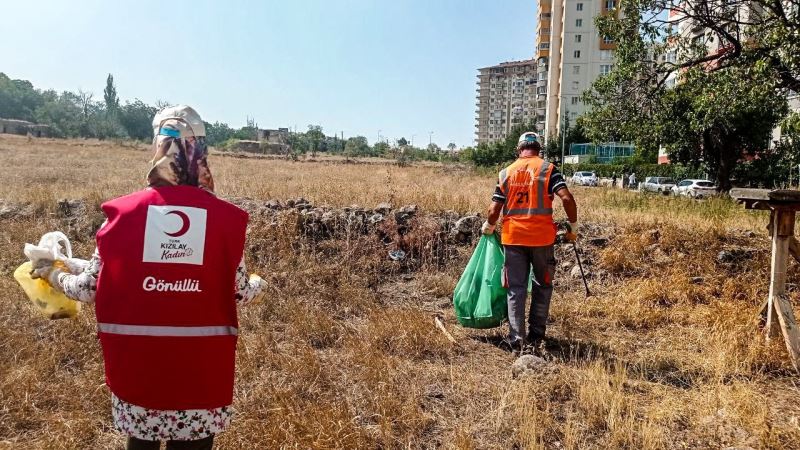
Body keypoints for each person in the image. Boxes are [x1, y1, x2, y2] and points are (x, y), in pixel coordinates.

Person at [33, 105, 266, 450]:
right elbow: (240, 293)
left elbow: (92, 286)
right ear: (199, 152)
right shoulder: (223, 221)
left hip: (139, 374)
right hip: (200, 376)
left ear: (157, 149)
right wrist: (259, 284)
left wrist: (54, 273)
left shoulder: (123, 215)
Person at [481, 132, 578, 353]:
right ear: (538, 149)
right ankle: (537, 337)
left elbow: (494, 209)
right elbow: (567, 198)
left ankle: (517, 340)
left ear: (519, 150)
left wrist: (489, 226)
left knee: (515, 289)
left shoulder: (506, 173)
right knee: (543, 285)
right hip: (542, 240)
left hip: (513, 238)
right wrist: (573, 227)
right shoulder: (548, 169)